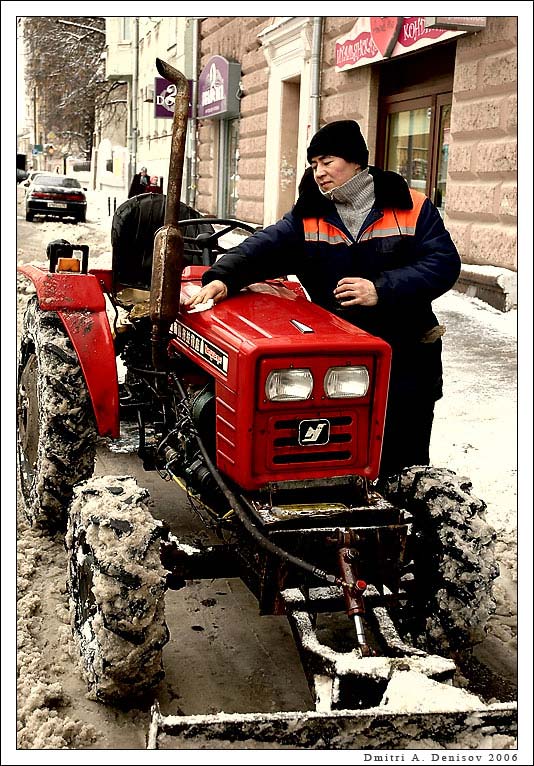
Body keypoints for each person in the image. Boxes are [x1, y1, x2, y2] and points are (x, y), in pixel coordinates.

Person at [184, 120, 461, 477]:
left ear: (356, 161)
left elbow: (443, 263)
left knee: (403, 456)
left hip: (406, 347)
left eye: (327, 161)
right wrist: (224, 276)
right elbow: (264, 247)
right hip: (338, 355)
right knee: (335, 446)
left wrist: (380, 289)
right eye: (314, 164)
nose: (319, 172)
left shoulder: (411, 206)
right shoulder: (310, 213)